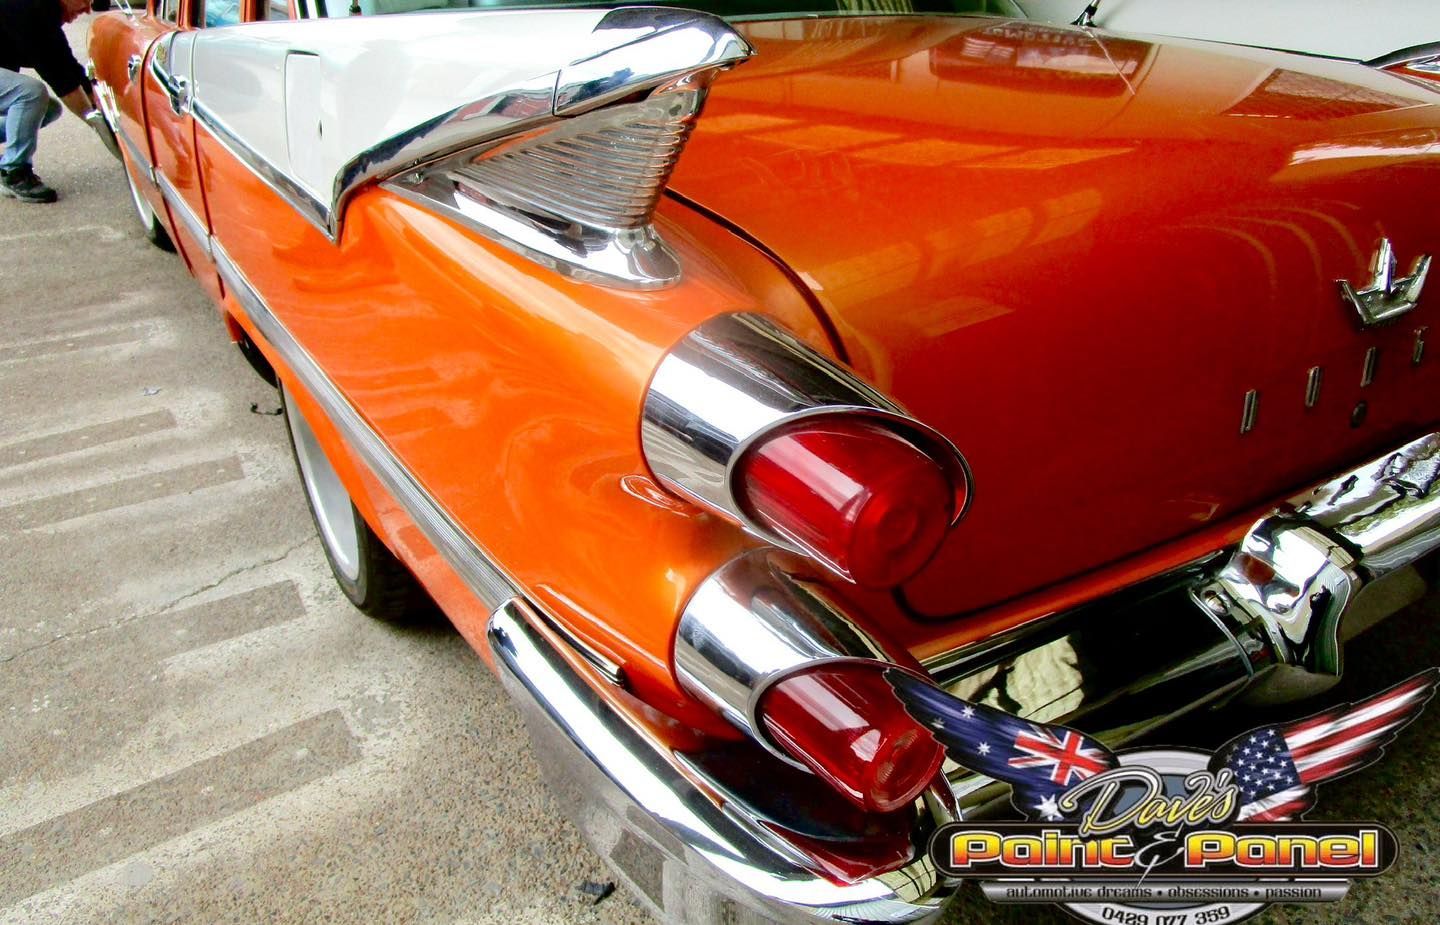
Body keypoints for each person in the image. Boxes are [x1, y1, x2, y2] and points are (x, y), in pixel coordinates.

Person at [0, 0, 98, 203]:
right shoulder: (29, 8)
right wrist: (105, 131)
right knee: (31, 93)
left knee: (48, 108)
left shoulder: (45, 13)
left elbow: (69, 68)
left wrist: (105, 109)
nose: (89, 9)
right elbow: (63, 83)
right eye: (85, 0)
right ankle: (14, 172)